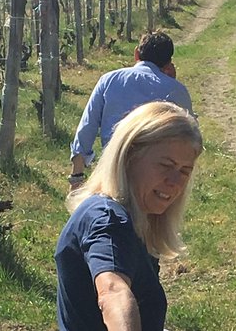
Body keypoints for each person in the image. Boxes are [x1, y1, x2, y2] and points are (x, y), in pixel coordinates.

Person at [55, 101, 203, 330]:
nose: (175, 183)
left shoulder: (133, 218)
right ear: (131, 155)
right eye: (166, 165)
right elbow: (112, 291)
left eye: (185, 171)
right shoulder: (108, 219)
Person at [69, 31, 193, 190]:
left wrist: (76, 176)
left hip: (112, 168)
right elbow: (188, 136)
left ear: (136, 54)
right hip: (156, 175)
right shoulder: (176, 90)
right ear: (169, 62)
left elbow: (87, 127)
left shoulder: (109, 80)